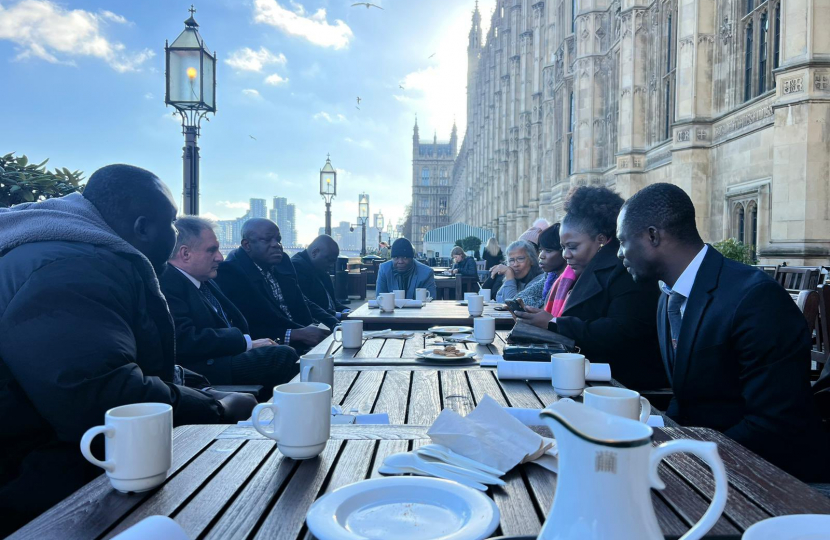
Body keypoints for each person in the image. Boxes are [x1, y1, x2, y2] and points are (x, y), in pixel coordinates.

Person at [0, 164, 256, 535]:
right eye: (170, 224)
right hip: (36, 483)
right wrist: (215, 408)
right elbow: (101, 397)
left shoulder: (85, 257)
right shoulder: (72, 268)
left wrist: (198, 387)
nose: (174, 233)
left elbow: (129, 357)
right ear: (142, 227)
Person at [616, 182, 830, 482]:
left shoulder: (755, 299)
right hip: (704, 462)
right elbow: (686, 398)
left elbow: (773, 425)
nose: (618, 253)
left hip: (771, 477)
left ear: (653, 236)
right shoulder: (668, 295)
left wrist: (679, 457)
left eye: (622, 241)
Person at [515, 186, 666, 391]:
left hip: (621, 385)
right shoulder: (585, 271)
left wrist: (554, 323)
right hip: (589, 377)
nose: (566, 255)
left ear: (601, 240)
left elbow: (622, 331)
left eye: (573, 247)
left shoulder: (625, 268)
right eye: (563, 247)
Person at [161, 216, 300, 391]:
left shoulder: (203, 280)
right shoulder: (167, 281)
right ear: (185, 254)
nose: (219, 257)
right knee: (282, 356)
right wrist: (245, 342)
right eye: (212, 250)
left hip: (224, 356)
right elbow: (183, 340)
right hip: (201, 369)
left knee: (287, 353)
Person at [215, 218, 335, 353]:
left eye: (278, 239)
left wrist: (334, 323)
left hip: (307, 337)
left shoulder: (283, 262)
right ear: (247, 245)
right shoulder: (231, 273)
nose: (276, 245)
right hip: (276, 348)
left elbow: (302, 300)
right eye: (267, 240)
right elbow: (245, 326)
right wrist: (295, 334)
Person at [291, 234, 350, 320]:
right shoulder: (296, 268)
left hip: (329, 320)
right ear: (315, 252)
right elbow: (308, 306)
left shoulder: (320, 268)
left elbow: (332, 302)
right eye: (329, 260)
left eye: (334, 261)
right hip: (314, 326)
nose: (332, 265)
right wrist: (339, 315)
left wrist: (348, 311)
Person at [514, 224, 567, 309]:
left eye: (548, 251)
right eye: (541, 250)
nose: (541, 256)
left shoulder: (573, 280)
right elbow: (518, 298)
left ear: (564, 250)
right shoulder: (550, 276)